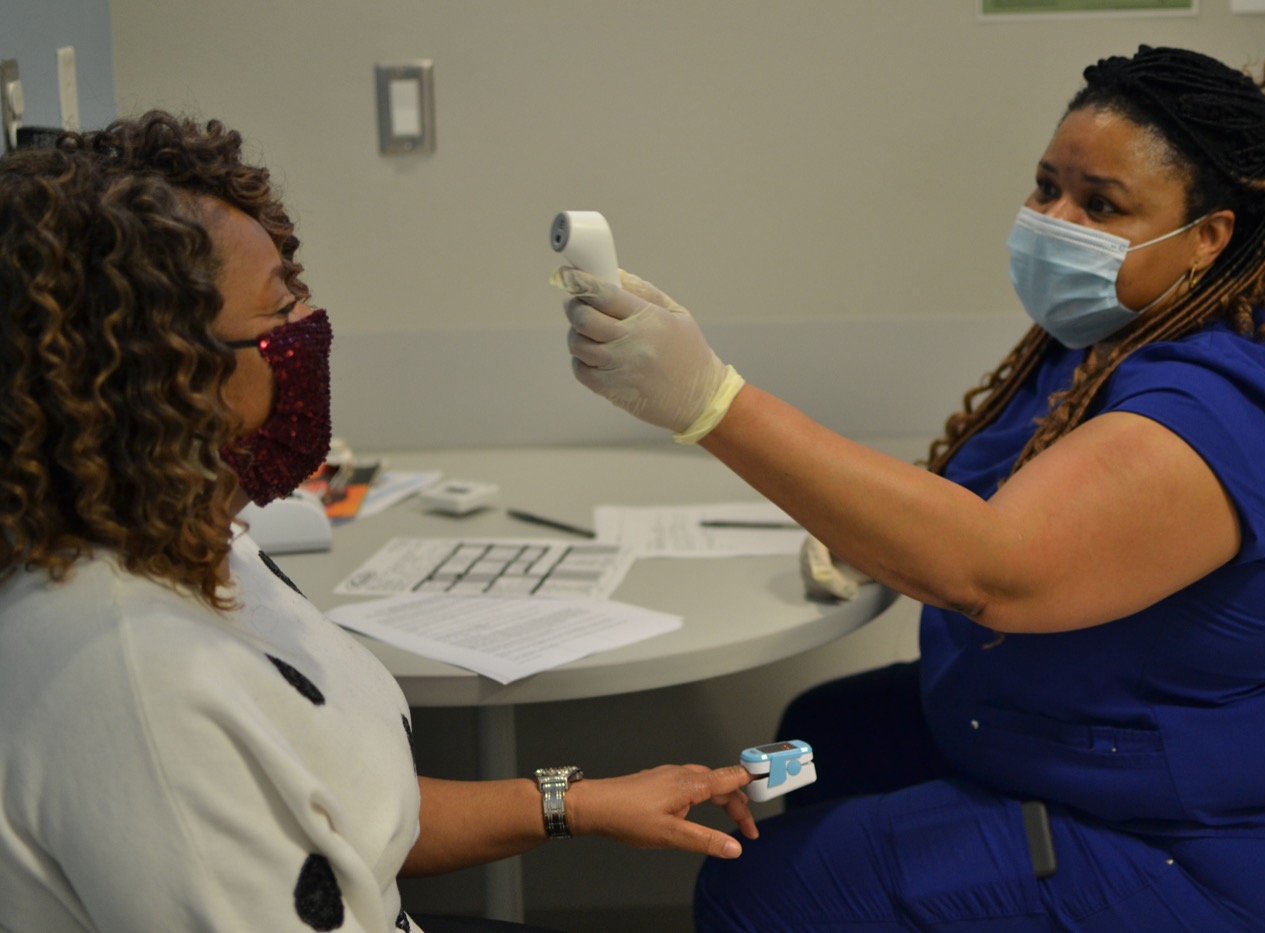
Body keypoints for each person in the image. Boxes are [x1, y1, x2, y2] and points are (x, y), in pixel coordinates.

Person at [555, 45, 1265, 931]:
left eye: (1099, 204)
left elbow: (993, 569)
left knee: (757, 891)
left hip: (1193, 843)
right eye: (1046, 187)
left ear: (1209, 237)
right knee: (820, 731)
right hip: (1059, 742)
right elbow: (975, 495)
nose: (1053, 219)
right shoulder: (1107, 339)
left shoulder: (1221, 408)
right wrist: (870, 527)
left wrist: (711, 401)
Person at [0, 112, 758, 933]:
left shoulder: (191, 543)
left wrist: (576, 801)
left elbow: (347, 813)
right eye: (279, 308)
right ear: (166, 375)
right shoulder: (138, 688)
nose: (309, 329)